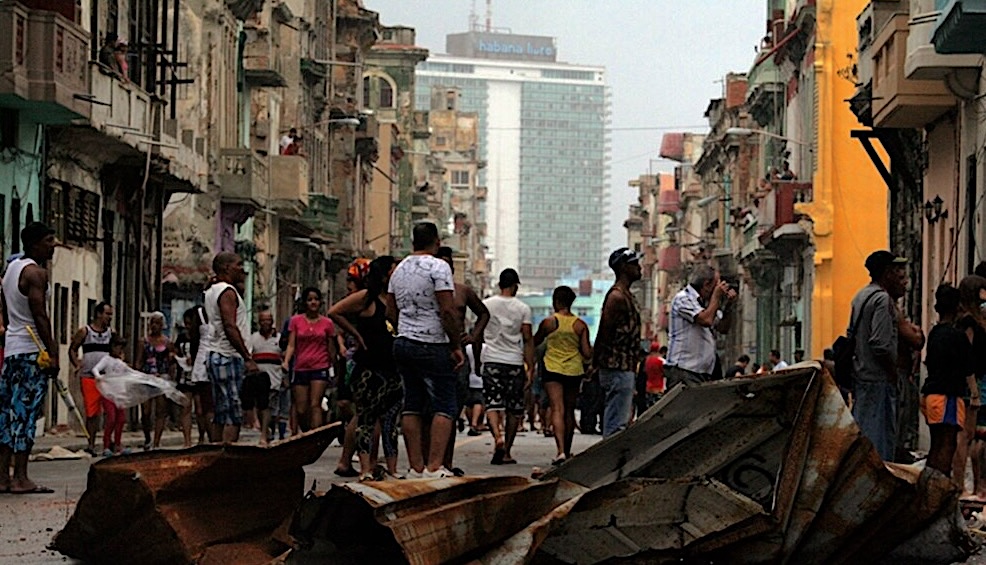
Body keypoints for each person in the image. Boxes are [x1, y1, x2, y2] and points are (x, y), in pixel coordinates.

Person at [386, 222, 464, 478]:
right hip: (432, 343)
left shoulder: (398, 270)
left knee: (413, 404)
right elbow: (448, 310)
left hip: (403, 343)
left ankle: (415, 467)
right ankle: (434, 467)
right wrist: (455, 345)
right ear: (437, 241)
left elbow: (390, 310)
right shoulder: (439, 266)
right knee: (445, 405)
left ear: (413, 241)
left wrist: (404, 329)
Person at [329, 256, 404, 481]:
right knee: (366, 419)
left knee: (390, 421)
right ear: (383, 275)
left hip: (392, 367)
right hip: (368, 367)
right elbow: (334, 312)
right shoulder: (366, 298)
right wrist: (356, 334)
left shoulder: (396, 300)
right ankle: (365, 469)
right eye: (393, 271)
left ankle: (392, 469)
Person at [0, 222, 58, 494]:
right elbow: (40, 315)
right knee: (25, 414)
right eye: (49, 240)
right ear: (35, 244)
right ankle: (21, 477)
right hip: (31, 350)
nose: (53, 245)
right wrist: (53, 352)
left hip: (12, 349)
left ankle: (3, 476)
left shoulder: (10, 269)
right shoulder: (36, 273)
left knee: (7, 414)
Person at [849, 250, 908, 461]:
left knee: (864, 435)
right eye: (895, 271)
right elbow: (880, 344)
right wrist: (892, 374)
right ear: (887, 273)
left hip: (862, 375)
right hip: (878, 379)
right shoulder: (882, 300)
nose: (899, 276)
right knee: (879, 442)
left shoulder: (861, 296)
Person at [435, 246, 490, 474]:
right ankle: (432, 462)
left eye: (448, 263)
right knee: (430, 410)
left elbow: (483, 313)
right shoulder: (426, 291)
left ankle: (446, 462)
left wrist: (473, 336)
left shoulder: (462, 291)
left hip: (457, 355)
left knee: (453, 408)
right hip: (433, 351)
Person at [477, 268, 534, 465]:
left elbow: (478, 333)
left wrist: (477, 360)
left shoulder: (486, 305)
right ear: (515, 285)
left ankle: (497, 438)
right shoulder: (523, 308)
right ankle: (507, 451)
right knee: (513, 409)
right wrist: (530, 366)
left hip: (491, 359)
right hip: (514, 362)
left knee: (492, 403)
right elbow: (527, 339)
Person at [921, 284, 976, 477]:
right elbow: (969, 368)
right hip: (948, 397)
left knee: (936, 443)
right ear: (957, 307)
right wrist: (975, 395)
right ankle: (939, 484)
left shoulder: (935, 333)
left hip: (931, 395)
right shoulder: (958, 337)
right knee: (947, 443)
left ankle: (929, 484)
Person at [534, 285, 592, 465]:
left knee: (557, 408)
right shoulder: (580, 325)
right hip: (574, 370)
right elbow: (587, 353)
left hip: (552, 369)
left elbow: (535, 342)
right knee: (568, 410)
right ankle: (567, 451)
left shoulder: (548, 323)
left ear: (556, 301)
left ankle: (559, 452)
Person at [203, 252, 256, 444]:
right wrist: (247, 356)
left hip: (216, 355)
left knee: (221, 410)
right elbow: (229, 326)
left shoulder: (212, 291)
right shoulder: (226, 292)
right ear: (227, 268)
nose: (242, 269)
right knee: (233, 410)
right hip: (227, 356)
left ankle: (216, 451)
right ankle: (227, 452)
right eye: (238, 264)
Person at [593, 248, 645, 438]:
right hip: (617, 367)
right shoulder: (616, 297)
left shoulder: (627, 296)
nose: (639, 268)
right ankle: (610, 463)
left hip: (625, 367)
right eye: (634, 264)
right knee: (616, 425)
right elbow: (604, 332)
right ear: (623, 267)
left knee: (620, 421)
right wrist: (595, 362)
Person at [665, 265, 737, 388]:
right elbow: (706, 320)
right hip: (684, 369)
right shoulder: (683, 298)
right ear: (706, 284)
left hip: (702, 372)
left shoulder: (706, 304)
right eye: (717, 284)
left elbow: (722, 328)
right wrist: (716, 297)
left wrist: (729, 306)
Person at [282, 287, 337, 433]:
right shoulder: (296, 321)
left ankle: (316, 435)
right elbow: (291, 344)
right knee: (301, 408)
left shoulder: (327, 324)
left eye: (316, 299)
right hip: (301, 367)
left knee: (315, 404)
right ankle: (306, 432)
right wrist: (286, 361)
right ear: (305, 303)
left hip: (320, 367)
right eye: (310, 299)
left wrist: (333, 368)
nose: (313, 302)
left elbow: (331, 347)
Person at [67, 302, 114, 455]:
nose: (109, 318)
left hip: (106, 377)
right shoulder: (85, 332)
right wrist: (76, 364)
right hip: (88, 376)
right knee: (92, 412)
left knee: (110, 411)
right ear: (99, 314)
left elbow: (118, 349)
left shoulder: (111, 333)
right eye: (107, 314)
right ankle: (91, 443)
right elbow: (72, 349)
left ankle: (108, 442)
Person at [957, 275, 986, 498]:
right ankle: (970, 485)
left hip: (980, 379)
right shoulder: (969, 322)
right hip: (976, 381)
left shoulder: (977, 320)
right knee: (972, 435)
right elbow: (968, 354)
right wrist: (974, 388)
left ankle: (978, 486)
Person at [134, 311, 177, 450]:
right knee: (146, 411)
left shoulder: (167, 342)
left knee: (161, 410)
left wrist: (171, 379)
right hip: (147, 377)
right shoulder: (143, 341)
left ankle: (157, 441)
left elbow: (171, 363)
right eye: (152, 322)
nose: (155, 326)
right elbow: (139, 361)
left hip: (162, 377)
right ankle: (148, 437)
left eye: (158, 323)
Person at [175, 306, 216, 445]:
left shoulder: (202, 336)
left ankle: (205, 436)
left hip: (199, 372)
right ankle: (194, 440)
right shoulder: (201, 335)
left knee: (202, 409)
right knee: (197, 408)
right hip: (194, 374)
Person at [247, 311, 282, 446]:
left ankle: (268, 430)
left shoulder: (279, 339)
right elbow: (249, 356)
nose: (266, 323)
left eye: (268, 320)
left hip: (274, 379)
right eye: (263, 320)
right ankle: (264, 431)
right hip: (259, 380)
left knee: (271, 408)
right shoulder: (253, 338)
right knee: (261, 407)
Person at [464, 342, 486, 436]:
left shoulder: (467, 348)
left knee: (469, 403)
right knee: (478, 402)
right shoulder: (486, 348)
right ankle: (474, 423)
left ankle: (471, 423)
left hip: (468, 377)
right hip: (480, 377)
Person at [643, 341, 667, 406]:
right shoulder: (661, 361)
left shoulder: (647, 360)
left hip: (648, 388)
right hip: (659, 388)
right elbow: (666, 373)